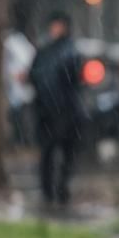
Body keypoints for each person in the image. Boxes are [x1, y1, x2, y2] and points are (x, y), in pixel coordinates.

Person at [29, 11, 84, 206]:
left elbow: (75, 80)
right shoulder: (45, 51)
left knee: (65, 152)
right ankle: (48, 190)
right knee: (48, 152)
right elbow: (35, 75)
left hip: (65, 111)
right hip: (47, 111)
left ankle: (61, 188)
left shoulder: (70, 51)